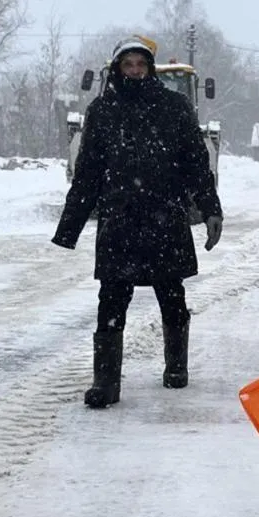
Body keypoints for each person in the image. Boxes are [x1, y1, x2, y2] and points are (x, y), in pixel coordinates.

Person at [52, 37, 224, 409]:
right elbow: (88, 174)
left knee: (171, 295)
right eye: (127, 65)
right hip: (120, 220)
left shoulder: (175, 107)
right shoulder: (102, 111)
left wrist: (211, 209)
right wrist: (70, 227)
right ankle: (106, 382)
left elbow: (196, 164)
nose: (134, 71)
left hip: (165, 217)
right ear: (118, 69)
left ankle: (176, 368)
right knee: (111, 299)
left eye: (139, 65)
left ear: (149, 68)